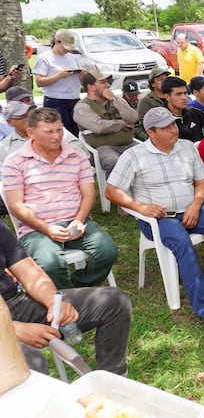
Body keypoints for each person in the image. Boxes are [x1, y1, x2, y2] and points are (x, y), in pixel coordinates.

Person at [105, 107, 204, 338]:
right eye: (166, 127)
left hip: (192, 209)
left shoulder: (187, 147)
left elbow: (201, 182)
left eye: (173, 124)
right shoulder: (134, 156)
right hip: (159, 217)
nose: (173, 130)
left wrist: (197, 204)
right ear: (150, 132)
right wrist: (141, 207)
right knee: (183, 247)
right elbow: (111, 190)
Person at [2, 107, 118, 289]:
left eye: (59, 129)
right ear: (31, 132)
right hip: (37, 228)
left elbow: (89, 194)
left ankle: (76, 287)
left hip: (75, 222)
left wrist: (79, 221)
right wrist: (47, 228)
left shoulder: (76, 155)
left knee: (108, 252)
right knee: (50, 264)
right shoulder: (15, 161)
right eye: (48, 132)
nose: (56, 136)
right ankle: (68, 299)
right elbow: (15, 205)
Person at [1, 222, 131, 376]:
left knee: (114, 302)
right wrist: (13, 330)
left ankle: (112, 382)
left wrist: (53, 302)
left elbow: (30, 273)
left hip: (13, 302)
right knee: (32, 363)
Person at [73, 69, 139, 176]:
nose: (107, 85)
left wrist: (114, 99)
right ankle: (115, 192)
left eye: (107, 82)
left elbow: (133, 118)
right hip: (104, 147)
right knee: (114, 162)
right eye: (103, 82)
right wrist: (122, 123)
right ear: (91, 87)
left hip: (129, 143)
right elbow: (99, 127)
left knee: (150, 155)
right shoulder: (82, 107)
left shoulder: (115, 100)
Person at [31, 29, 83, 135]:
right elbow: (39, 82)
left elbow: (81, 79)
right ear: (57, 41)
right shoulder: (45, 58)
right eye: (65, 47)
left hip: (74, 98)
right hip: (55, 100)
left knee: (76, 130)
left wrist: (82, 74)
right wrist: (59, 75)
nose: (67, 50)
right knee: (60, 132)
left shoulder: (73, 58)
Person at [163, 76, 204, 142]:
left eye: (185, 93)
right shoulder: (161, 120)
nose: (184, 97)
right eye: (178, 94)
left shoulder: (193, 113)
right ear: (167, 97)